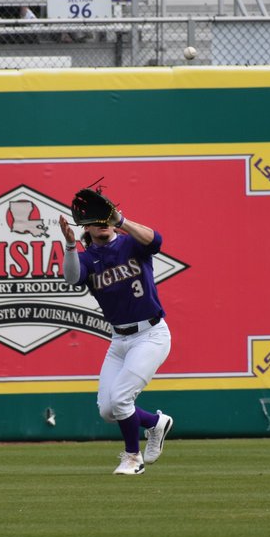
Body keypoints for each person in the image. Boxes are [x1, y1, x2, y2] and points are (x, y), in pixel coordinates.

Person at [57, 195, 174, 476]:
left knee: (121, 399)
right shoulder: (87, 258)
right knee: (108, 410)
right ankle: (155, 423)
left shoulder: (130, 243)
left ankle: (133, 458)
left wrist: (121, 221)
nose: (102, 225)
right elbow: (72, 278)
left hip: (151, 334)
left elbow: (156, 240)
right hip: (119, 340)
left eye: (105, 220)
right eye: (95, 222)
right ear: (87, 228)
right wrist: (71, 245)